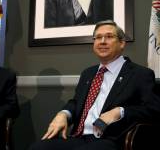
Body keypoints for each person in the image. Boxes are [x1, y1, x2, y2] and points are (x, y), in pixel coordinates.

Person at [29, 20, 156, 150]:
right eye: (98, 37)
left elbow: (153, 110)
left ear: (122, 43)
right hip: (79, 137)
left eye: (109, 36)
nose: (102, 41)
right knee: (38, 147)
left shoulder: (140, 74)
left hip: (111, 140)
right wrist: (63, 114)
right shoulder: (88, 73)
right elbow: (76, 102)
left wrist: (120, 111)